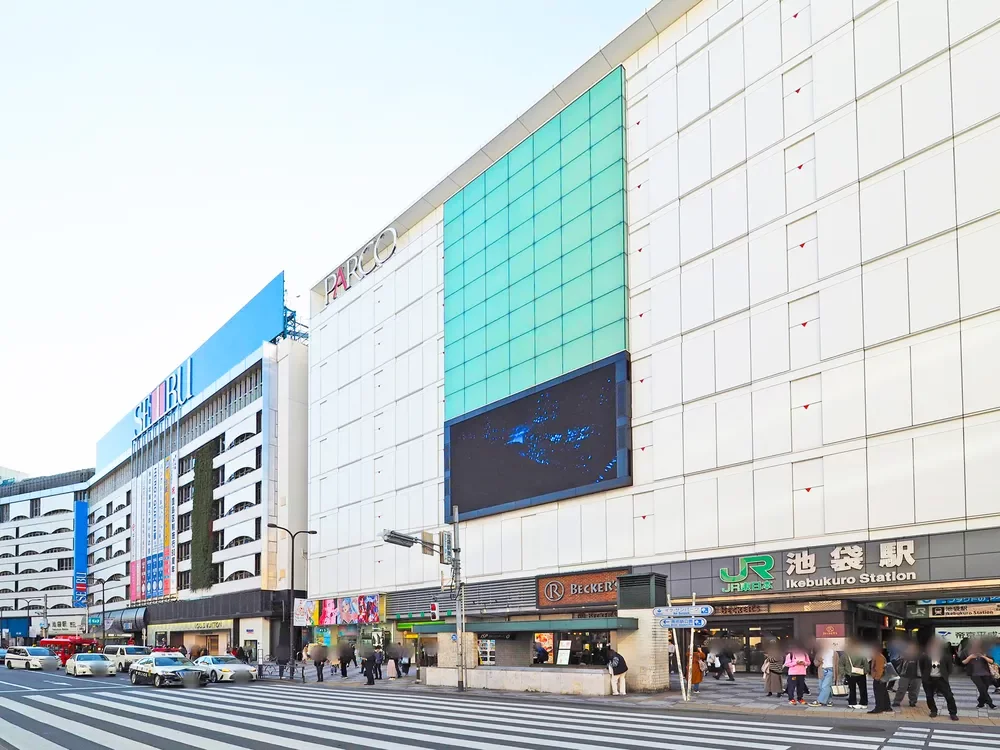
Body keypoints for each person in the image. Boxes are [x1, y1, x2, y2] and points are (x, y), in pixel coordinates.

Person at [920, 636, 959, 721]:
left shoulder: (946, 656)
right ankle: (933, 710)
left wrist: (944, 675)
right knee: (929, 696)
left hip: (941, 678)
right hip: (928, 679)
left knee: (949, 696)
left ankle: (953, 713)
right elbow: (921, 666)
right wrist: (925, 676)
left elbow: (949, 668)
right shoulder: (925, 655)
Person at [961, 639, 997, 710]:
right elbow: (963, 662)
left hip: (986, 673)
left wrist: (983, 656)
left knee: (984, 690)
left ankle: (981, 703)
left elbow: (992, 661)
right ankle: (990, 703)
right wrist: (970, 657)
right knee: (981, 688)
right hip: (974, 674)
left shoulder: (985, 650)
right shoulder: (966, 651)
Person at [840, 641, 869, 710]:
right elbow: (866, 665)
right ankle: (863, 703)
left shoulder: (845, 655)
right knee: (863, 689)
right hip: (861, 674)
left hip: (850, 675)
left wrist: (844, 673)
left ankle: (852, 702)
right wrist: (865, 671)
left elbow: (841, 665)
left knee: (852, 689)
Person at [892, 641, 921, 709]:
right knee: (901, 689)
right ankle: (896, 701)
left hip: (917, 676)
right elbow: (897, 662)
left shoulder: (920, 656)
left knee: (915, 690)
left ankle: (913, 702)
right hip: (905, 675)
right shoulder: (904, 655)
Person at [810, 641, 837, 707]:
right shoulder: (820, 652)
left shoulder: (834, 653)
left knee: (825, 686)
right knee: (822, 686)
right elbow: (815, 663)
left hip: (830, 670)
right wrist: (820, 661)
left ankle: (819, 701)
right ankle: (829, 700)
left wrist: (838, 676)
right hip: (822, 670)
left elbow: (837, 664)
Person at [869, 644, 893, 714]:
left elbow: (880, 669)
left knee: (879, 693)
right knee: (883, 692)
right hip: (881, 678)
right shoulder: (879, 656)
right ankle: (887, 707)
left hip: (879, 678)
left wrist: (877, 678)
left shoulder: (878, 657)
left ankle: (879, 708)